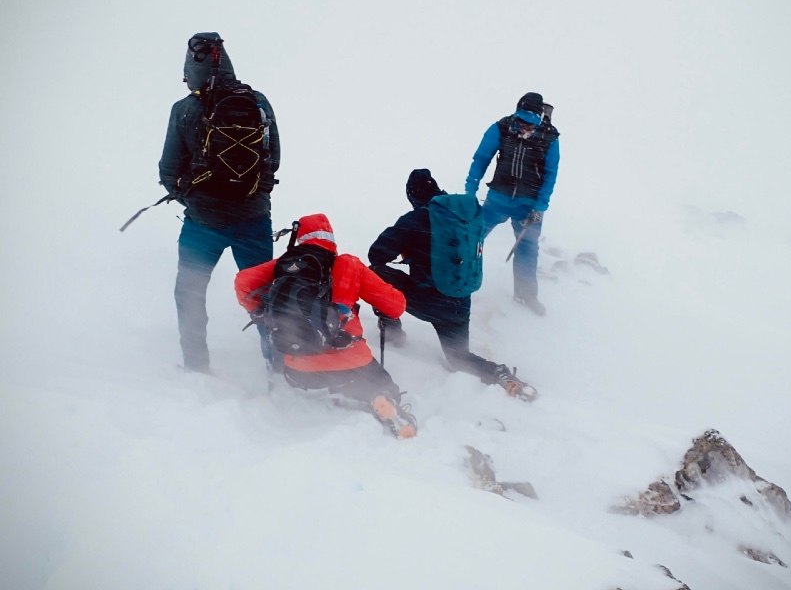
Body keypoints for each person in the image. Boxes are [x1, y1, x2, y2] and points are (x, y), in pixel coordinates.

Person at [159, 32, 280, 373]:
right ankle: (280, 364)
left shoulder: (183, 109)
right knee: (263, 298)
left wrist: (195, 197)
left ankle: (196, 365)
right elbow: (274, 157)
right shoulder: (258, 102)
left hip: (203, 225)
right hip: (254, 219)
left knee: (190, 293)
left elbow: (168, 169)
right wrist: (251, 193)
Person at [235, 213, 417, 438]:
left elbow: (243, 282)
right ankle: (381, 397)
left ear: (300, 237)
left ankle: (320, 395)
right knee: (382, 383)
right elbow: (396, 306)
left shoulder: (285, 265)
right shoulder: (348, 265)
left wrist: (261, 310)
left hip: (298, 367)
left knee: (303, 371)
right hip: (351, 363)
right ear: (331, 238)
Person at [368, 169, 536, 401]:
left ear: (412, 196)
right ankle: (499, 374)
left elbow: (376, 254)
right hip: (459, 303)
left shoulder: (416, 219)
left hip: (428, 299)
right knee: (458, 358)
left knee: (374, 274)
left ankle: (393, 332)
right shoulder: (466, 215)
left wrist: (409, 250)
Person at [465, 92, 560, 315]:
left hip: (528, 206)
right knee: (470, 238)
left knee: (528, 248)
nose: (525, 127)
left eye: (531, 123)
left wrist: (540, 207)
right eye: (522, 121)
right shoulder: (502, 128)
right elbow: (481, 158)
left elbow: (550, 174)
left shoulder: (550, 139)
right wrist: (471, 189)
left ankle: (526, 295)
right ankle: (459, 284)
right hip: (497, 199)